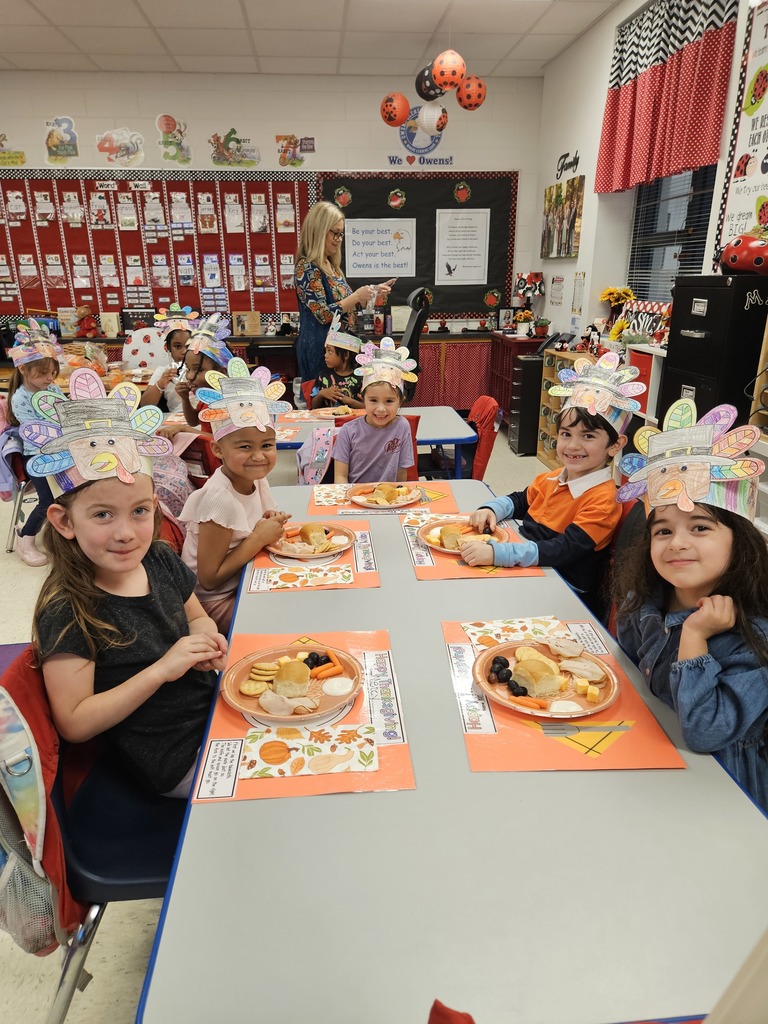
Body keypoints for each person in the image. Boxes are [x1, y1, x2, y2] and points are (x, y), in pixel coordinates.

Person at [25, 367, 227, 799]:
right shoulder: (68, 609)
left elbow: (198, 619)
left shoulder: (158, 557)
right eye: (102, 515)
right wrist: (163, 670)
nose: (126, 532)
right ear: (63, 521)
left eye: (139, 511)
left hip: (216, 713)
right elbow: (75, 722)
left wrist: (206, 644)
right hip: (176, 757)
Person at [612, 399, 768, 814]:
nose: (677, 542)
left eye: (700, 527)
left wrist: (695, 636)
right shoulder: (647, 597)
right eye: (663, 531)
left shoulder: (755, 635)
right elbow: (626, 668)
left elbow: (704, 732)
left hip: (726, 794)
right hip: (652, 755)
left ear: (740, 540)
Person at [464, 352, 646, 618]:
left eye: (588, 436)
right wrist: (491, 509)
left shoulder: (603, 499)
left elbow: (562, 551)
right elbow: (519, 500)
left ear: (615, 445)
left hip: (563, 591)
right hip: (533, 568)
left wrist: (498, 554)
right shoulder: (553, 477)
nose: (573, 445)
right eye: (565, 434)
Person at [179, 359, 292, 634]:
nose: (258, 456)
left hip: (247, 577)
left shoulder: (256, 478)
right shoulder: (219, 498)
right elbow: (208, 580)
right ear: (218, 450)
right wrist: (258, 538)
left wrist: (268, 522)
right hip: (215, 604)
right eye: (244, 446)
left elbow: (255, 522)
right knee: (288, 622)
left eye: (267, 445)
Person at [294, 200, 395, 382]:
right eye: (335, 233)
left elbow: (345, 309)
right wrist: (356, 296)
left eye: (341, 234)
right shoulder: (307, 268)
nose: (339, 239)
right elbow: (324, 314)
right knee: (322, 405)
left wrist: (371, 294)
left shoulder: (332, 267)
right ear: (318, 230)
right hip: (320, 352)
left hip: (340, 351)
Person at [7, 320, 65, 566]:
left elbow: (65, 410)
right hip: (37, 454)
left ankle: (63, 531)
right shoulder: (20, 398)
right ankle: (25, 538)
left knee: (74, 491)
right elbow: (32, 432)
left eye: (53, 372)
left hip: (61, 448)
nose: (49, 379)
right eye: (42, 373)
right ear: (23, 369)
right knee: (48, 500)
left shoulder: (52, 388)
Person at [333, 338, 418, 484]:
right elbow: (340, 477)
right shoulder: (348, 431)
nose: (380, 409)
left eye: (389, 401)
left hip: (388, 498)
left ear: (401, 401)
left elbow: (401, 471)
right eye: (373, 400)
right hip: (356, 497)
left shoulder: (402, 426)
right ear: (362, 398)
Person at [156, 313, 234, 441]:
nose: (190, 376)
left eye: (199, 369)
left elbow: (222, 441)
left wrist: (183, 429)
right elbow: (194, 421)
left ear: (221, 372)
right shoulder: (208, 396)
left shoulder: (226, 402)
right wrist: (185, 399)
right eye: (188, 369)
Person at [140, 304, 199, 413]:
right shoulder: (163, 372)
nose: (184, 351)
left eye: (188, 346)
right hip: (176, 420)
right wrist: (160, 384)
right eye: (177, 346)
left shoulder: (203, 369)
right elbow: (145, 406)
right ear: (168, 348)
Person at [311, 314, 363, 409]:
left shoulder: (360, 378)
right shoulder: (323, 376)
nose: (325, 355)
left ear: (346, 355)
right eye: (326, 351)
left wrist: (350, 401)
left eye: (330, 351)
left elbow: (366, 407)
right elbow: (313, 407)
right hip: (327, 422)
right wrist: (321, 394)